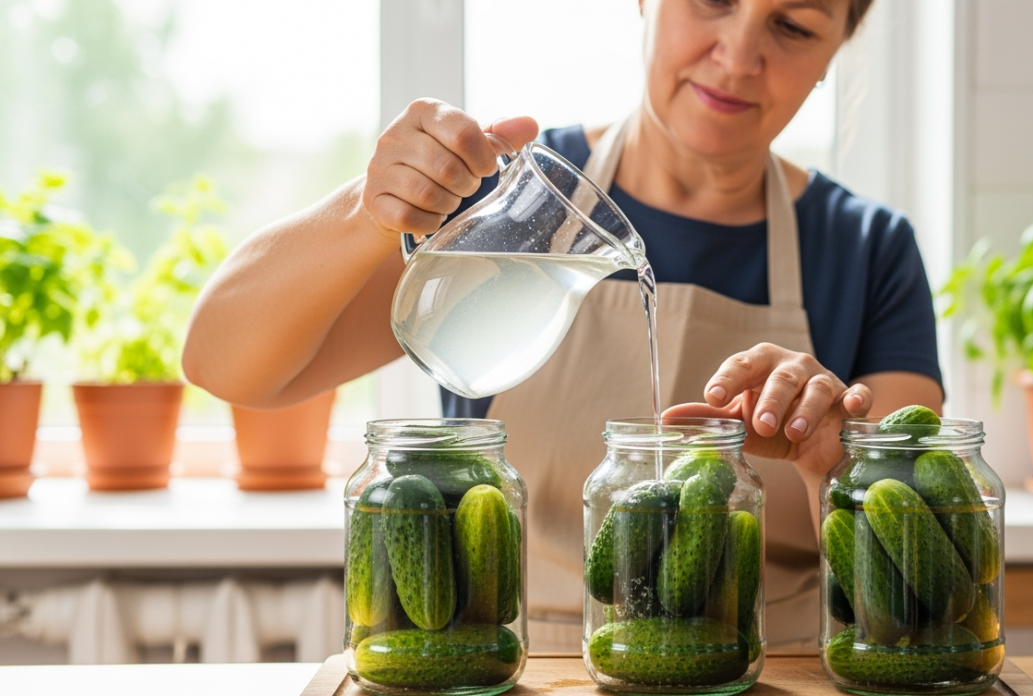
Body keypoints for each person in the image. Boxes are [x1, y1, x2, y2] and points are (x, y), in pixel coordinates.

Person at [183, 0, 942, 652]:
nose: (739, 55)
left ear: (837, 47)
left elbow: (915, 589)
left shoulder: (868, 249)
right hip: (510, 666)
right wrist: (369, 206)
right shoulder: (510, 201)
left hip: (766, 672)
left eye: (793, 25)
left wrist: (825, 460)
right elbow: (225, 364)